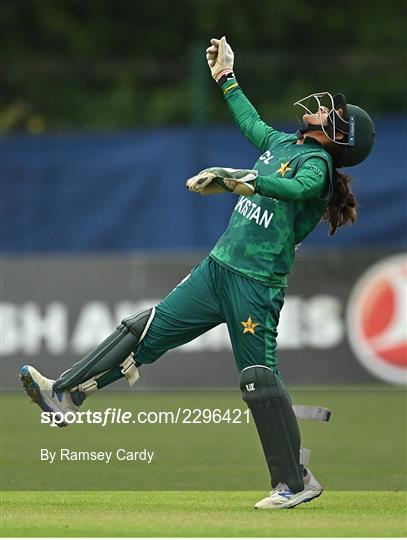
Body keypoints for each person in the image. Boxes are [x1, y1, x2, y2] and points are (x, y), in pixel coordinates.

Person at [20, 37, 375, 509]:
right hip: (217, 269)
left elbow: (297, 188)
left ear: (341, 138)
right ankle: (63, 394)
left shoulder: (320, 165)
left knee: (258, 381)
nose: (325, 110)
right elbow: (251, 122)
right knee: (142, 330)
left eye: (334, 115)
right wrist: (226, 77)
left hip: (255, 285)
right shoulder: (282, 143)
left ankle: (293, 481)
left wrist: (240, 179)